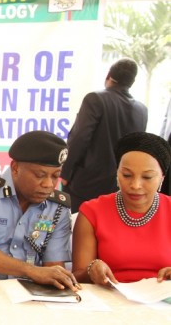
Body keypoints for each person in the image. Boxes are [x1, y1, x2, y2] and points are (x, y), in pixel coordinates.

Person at [0, 131, 79, 290]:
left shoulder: (57, 207)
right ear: (15, 168)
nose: (48, 184)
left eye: (55, 176)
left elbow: (53, 267)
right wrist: (31, 271)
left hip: (31, 292)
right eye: (40, 175)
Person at [72, 132, 171, 286]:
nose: (135, 185)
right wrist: (91, 270)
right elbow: (77, 276)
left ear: (162, 178)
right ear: (117, 173)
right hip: (109, 300)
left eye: (147, 177)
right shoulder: (92, 211)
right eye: (126, 175)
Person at [61, 58, 147, 213]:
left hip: (85, 185)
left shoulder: (95, 99)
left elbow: (80, 138)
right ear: (132, 82)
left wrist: (65, 172)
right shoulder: (142, 110)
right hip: (118, 188)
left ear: (108, 75)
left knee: (74, 230)